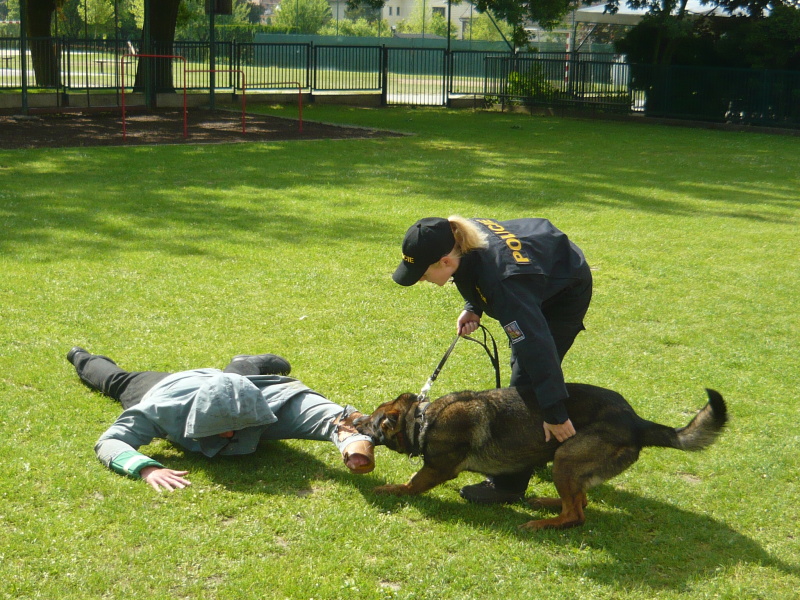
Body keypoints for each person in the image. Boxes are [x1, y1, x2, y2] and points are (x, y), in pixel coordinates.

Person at [392, 216, 592, 504]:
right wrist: (474, 306)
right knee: (523, 371)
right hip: (534, 269)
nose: (421, 279)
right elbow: (473, 268)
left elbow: (538, 348)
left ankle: (508, 485)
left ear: (445, 261)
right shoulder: (458, 237)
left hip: (564, 289)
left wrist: (554, 413)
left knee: (524, 383)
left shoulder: (503, 283)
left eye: (422, 273)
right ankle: (537, 449)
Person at [67, 347, 375, 491]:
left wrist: (354, 444)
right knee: (117, 381)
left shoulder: (264, 401)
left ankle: (245, 365)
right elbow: (110, 441)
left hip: (227, 381)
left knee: (236, 379)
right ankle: (80, 356)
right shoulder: (160, 409)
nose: (229, 436)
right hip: (165, 386)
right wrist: (146, 468)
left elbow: (337, 419)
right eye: (222, 428)